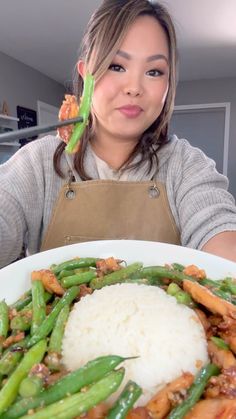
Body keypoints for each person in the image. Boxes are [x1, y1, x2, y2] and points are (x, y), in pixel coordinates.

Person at [1, 0, 236, 269]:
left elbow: (218, 228)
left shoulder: (186, 166)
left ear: (168, 84)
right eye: (116, 66)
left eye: (154, 71)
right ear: (86, 73)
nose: (134, 88)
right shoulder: (37, 163)